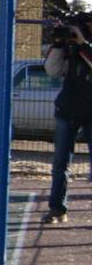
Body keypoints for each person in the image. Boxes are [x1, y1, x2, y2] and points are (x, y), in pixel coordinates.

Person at [42, 15, 92, 224]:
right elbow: (52, 71)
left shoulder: (82, 46)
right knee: (60, 163)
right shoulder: (70, 47)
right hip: (68, 109)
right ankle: (57, 209)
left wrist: (83, 44)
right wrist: (58, 44)